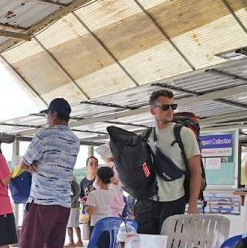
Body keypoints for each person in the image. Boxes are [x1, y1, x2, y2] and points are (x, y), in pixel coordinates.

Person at [9, 98, 79, 248]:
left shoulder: (43, 135)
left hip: (42, 201)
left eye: (47, 114)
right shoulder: (75, 140)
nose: (47, 118)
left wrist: (33, 168)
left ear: (54, 114)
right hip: (63, 203)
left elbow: (24, 163)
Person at [134, 89, 203, 234]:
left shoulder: (184, 133)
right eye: (165, 107)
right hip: (146, 203)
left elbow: (196, 172)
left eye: (173, 106)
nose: (170, 110)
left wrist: (192, 205)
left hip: (174, 201)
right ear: (153, 110)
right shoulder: (145, 135)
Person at [95, 143, 127, 217]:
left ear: (106, 156)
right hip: (119, 200)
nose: (101, 157)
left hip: (108, 202)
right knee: (116, 225)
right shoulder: (120, 167)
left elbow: (97, 185)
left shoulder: (106, 168)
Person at [85, 166, 119, 230]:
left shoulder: (93, 194)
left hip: (96, 224)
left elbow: (90, 212)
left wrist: (86, 206)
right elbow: (116, 184)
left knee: (96, 240)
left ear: (98, 178)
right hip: (108, 223)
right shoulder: (112, 191)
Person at [77, 155, 98, 241]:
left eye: (96, 164)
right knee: (90, 236)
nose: (94, 166)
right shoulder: (83, 181)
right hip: (88, 211)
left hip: (99, 210)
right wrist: (81, 200)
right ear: (86, 166)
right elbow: (80, 195)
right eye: (91, 164)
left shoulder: (99, 179)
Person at [64, 177, 82, 248]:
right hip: (75, 205)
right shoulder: (72, 177)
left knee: (69, 225)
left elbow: (78, 190)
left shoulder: (70, 178)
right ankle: (79, 241)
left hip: (72, 205)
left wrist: (72, 197)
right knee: (76, 224)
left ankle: (71, 242)